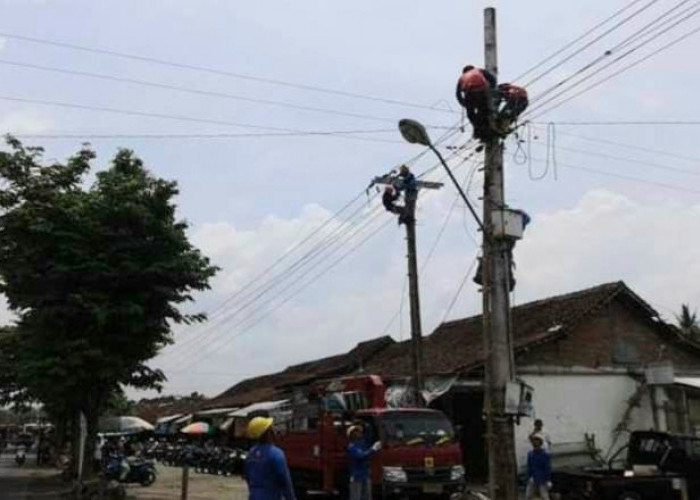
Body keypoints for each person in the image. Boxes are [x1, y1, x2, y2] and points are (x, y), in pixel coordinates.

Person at [245, 416, 296, 500]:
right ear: (267, 432)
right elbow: (284, 480)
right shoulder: (276, 453)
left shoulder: (251, 454)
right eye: (270, 428)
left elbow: (247, 476)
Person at [456, 65, 497, 141]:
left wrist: (464, 103)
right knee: (484, 113)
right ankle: (486, 133)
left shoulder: (462, 77)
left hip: (469, 95)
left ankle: (478, 131)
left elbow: (458, 94)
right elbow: (492, 79)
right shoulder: (479, 71)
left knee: (471, 115)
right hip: (482, 92)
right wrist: (492, 90)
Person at [346, 425, 381, 500]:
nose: (360, 433)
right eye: (357, 432)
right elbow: (361, 456)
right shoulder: (352, 447)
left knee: (367, 497)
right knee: (356, 497)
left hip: (365, 475)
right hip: (357, 476)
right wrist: (373, 449)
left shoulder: (362, 445)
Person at [526, 434, 551, 500]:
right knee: (528, 495)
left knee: (544, 496)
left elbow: (547, 467)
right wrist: (529, 477)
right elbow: (529, 467)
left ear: (540, 443)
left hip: (542, 478)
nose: (535, 442)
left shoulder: (544, 455)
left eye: (537, 441)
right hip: (533, 477)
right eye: (534, 441)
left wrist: (548, 480)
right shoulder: (530, 454)